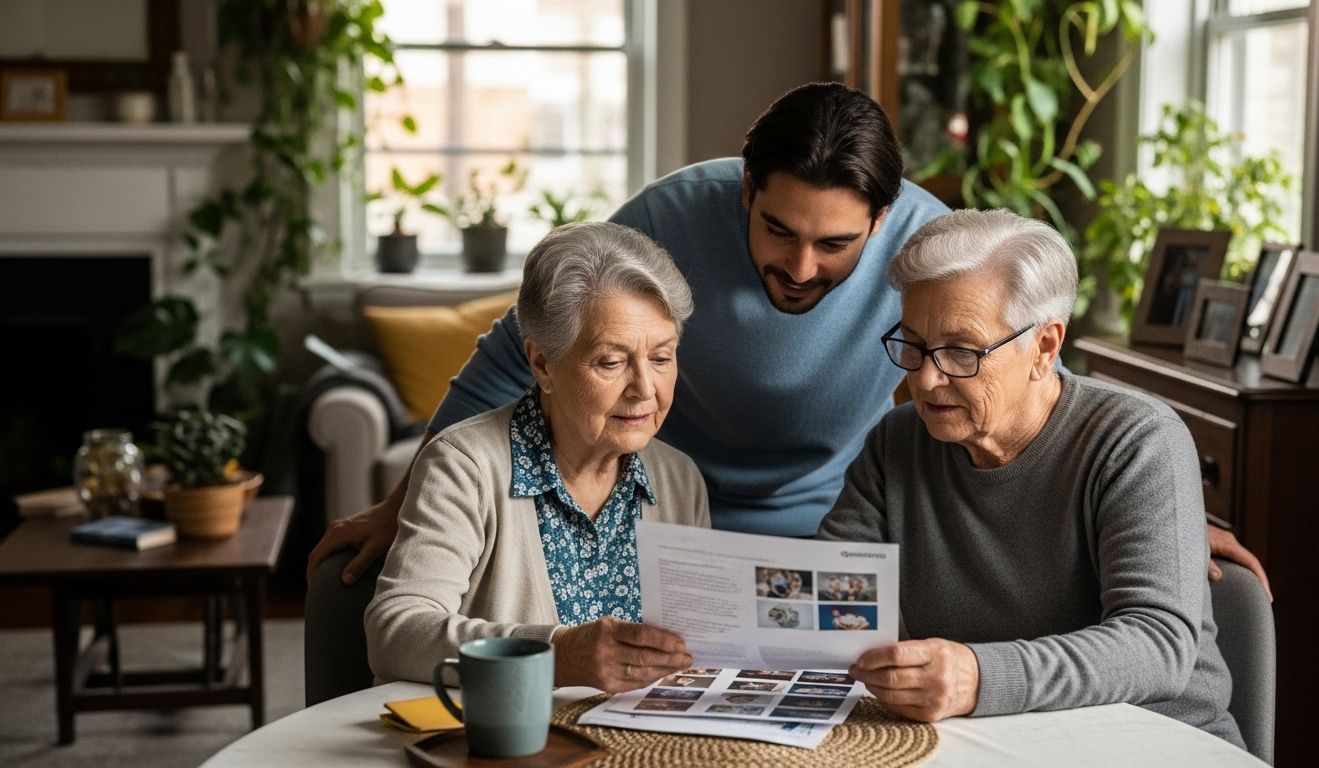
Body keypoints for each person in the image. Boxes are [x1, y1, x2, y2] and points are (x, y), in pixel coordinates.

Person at [309, 82, 1269, 596]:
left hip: (834, 535)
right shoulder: (665, 218)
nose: (802, 268)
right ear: (744, 194)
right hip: (663, 520)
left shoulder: (930, 248)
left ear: (886, 221)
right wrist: (407, 496)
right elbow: (521, 350)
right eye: (778, 232)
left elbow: (1025, 351)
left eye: (836, 244)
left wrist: (1162, 508)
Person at [821, 209, 1244, 747]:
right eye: (914, 344)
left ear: (1044, 347)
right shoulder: (899, 440)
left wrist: (979, 676)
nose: (925, 379)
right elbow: (831, 601)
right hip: (982, 741)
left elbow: (1157, 644)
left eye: (960, 351)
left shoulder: (1137, 440)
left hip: (1153, 741)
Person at [364, 223, 707, 693]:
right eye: (611, 362)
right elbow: (395, 631)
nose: (645, 389)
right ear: (543, 363)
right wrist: (554, 654)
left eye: (662, 358)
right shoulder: (464, 466)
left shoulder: (680, 481)